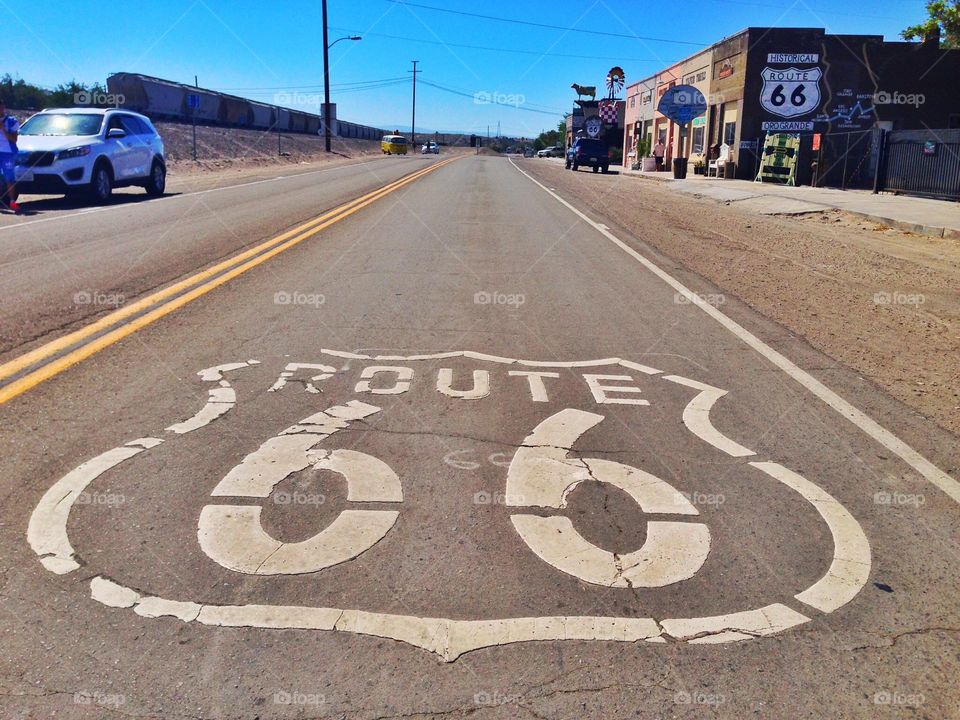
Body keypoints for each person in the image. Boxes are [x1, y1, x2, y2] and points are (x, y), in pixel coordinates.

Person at [0, 100, 20, 213]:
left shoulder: (11, 121)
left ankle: (12, 201)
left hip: (8, 154)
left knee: (9, 178)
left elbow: (14, 139)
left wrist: (3, 129)